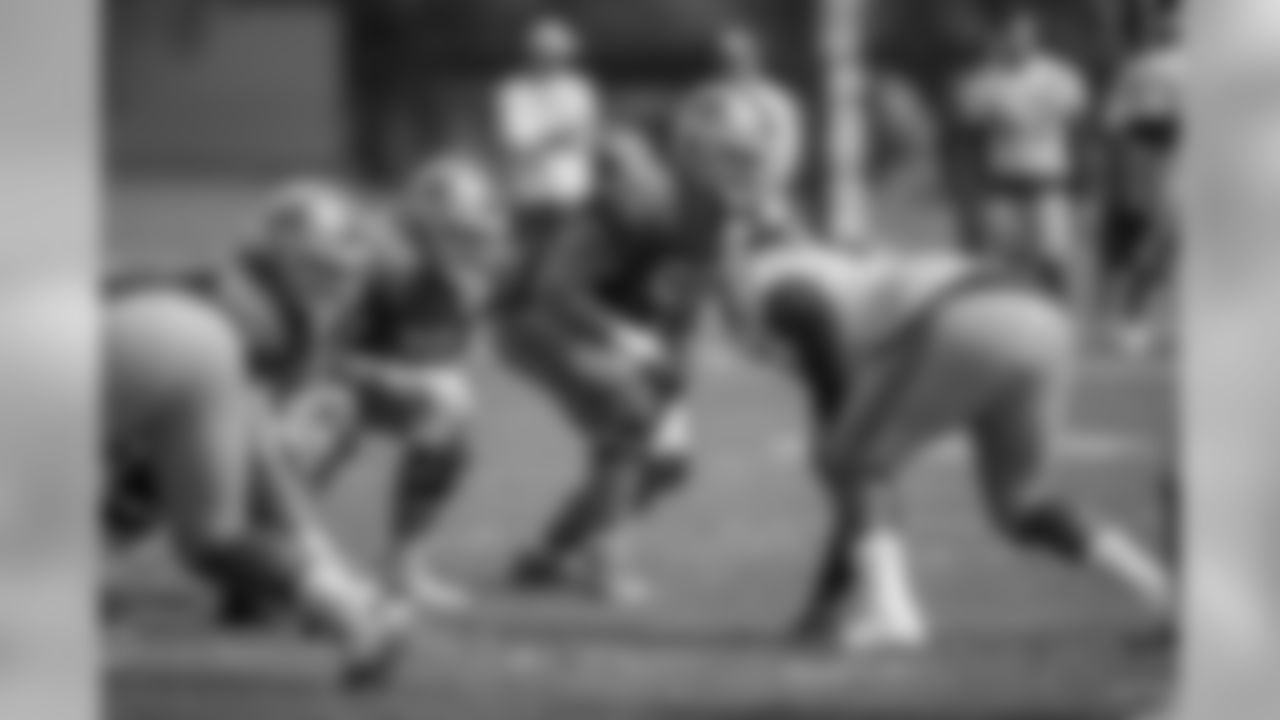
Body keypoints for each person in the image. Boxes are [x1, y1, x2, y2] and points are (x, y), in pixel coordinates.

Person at [686, 87, 1174, 650]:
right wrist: (823, 605)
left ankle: (894, 618)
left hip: (963, 315)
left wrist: (835, 421)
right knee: (1020, 505)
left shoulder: (766, 281)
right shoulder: (817, 264)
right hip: (1037, 317)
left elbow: (809, 319)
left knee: (852, 461)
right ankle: (1166, 594)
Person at [103, 180, 410, 686]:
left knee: (205, 498)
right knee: (211, 526)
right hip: (133, 352)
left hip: (134, 356)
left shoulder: (266, 308)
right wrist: (323, 560)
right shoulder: (261, 312)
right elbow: (259, 452)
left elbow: (259, 448)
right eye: (318, 268)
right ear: (275, 254)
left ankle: (347, 605)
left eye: (342, 272)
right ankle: (351, 609)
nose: (334, 285)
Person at [501, 125, 722, 603]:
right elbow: (555, 290)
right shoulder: (610, 214)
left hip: (614, 325)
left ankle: (548, 557)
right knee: (629, 418)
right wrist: (624, 339)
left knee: (667, 465)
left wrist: (673, 368)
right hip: (537, 322)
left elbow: (685, 301)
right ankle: (607, 566)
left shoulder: (709, 215)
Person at [304, 153, 512, 614]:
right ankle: (273, 558)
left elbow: (444, 344)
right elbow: (313, 351)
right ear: (425, 219)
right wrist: (398, 377)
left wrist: (426, 378)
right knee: (312, 449)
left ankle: (402, 565)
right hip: (313, 384)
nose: (472, 241)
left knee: (450, 433)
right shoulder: (377, 262)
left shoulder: (474, 265)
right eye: (458, 230)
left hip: (381, 382)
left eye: (473, 231)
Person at [954, 13, 1090, 302]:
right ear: (1002, 38)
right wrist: (996, 115)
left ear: (1035, 37)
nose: (1018, 41)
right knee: (1004, 255)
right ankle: (1012, 313)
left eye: (1025, 35)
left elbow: (1073, 109)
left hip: (1046, 176)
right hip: (1002, 177)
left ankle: (1055, 309)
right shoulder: (986, 78)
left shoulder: (1057, 74)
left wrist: (1025, 115)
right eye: (1012, 36)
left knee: (1052, 252)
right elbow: (968, 114)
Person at [493, 15, 602, 309]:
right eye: (544, 53)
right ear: (531, 54)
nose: (552, 60)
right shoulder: (514, 91)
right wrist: (558, 134)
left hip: (572, 196)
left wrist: (548, 137)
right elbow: (516, 145)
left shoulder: (579, 90)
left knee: (565, 278)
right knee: (526, 272)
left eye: (558, 54)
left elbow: (586, 140)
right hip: (530, 197)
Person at [1099, 11, 1183, 355]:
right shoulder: (1143, 67)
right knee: (1158, 237)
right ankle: (1133, 318)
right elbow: (1115, 119)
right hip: (1155, 155)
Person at [680, 25, 807, 236]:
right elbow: (688, 148)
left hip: (765, 196)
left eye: (741, 55)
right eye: (727, 57)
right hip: (713, 202)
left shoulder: (775, 100)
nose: (734, 62)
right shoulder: (701, 100)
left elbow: (786, 152)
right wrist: (717, 188)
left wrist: (758, 188)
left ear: (754, 57)